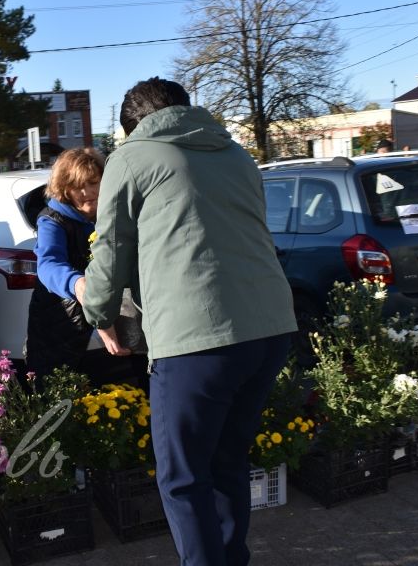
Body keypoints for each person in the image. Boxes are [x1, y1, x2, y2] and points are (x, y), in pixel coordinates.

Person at [78, 77, 297, 566]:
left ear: (133, 128)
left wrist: (99, 313)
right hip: (270, 329)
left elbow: (111, 250)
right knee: (226, 462)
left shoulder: (131, 159)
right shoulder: (237, 155)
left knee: (182, 477)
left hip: (198, 339)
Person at [23, 148, 146, 387]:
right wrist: (76, 283)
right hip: (61, 324)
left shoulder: (114, 213)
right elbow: (48, 264)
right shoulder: (52, 219)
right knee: (57, 388)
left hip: (121, 322)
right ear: (64, 189)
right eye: (78, 186)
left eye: (93, 183)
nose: (88, 192)